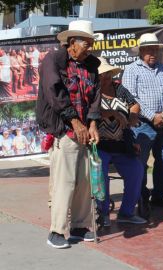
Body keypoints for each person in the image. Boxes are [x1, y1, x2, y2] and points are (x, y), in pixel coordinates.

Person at [36, 20, 101, 249]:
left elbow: (96, 96)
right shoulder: (53, 60)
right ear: (73, 42)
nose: (91, 48)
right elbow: (54, 92)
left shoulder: (92, 65)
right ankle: (57, 230)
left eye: (92, 43)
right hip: (64, 130)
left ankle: (80, 226)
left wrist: (92, 123)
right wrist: (74, 121)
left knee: (84, 181)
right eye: (87, 43)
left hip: (84, 130)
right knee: (65, 181)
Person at [122, 33, 163, 218]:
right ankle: (142, 197)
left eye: (155, 49)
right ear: (141, 51)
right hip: (141, 124)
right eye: (148, 50)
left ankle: (159, 196)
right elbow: (130, 98)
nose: (152, 53)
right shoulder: (131, 70)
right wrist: (152, 116)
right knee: (140, 163)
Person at [96, 57, 146, 226]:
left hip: (121, 143)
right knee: (101, 176)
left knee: (136, 170)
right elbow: (91, 111)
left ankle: (127, 212)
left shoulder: (119, 89)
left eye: (107, 74)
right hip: (99, 145)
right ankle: (102, 214)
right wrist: (112, 113)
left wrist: (132, 116)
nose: (105, 77)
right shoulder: (92, 91)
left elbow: (134, 104)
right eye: (101, 74)